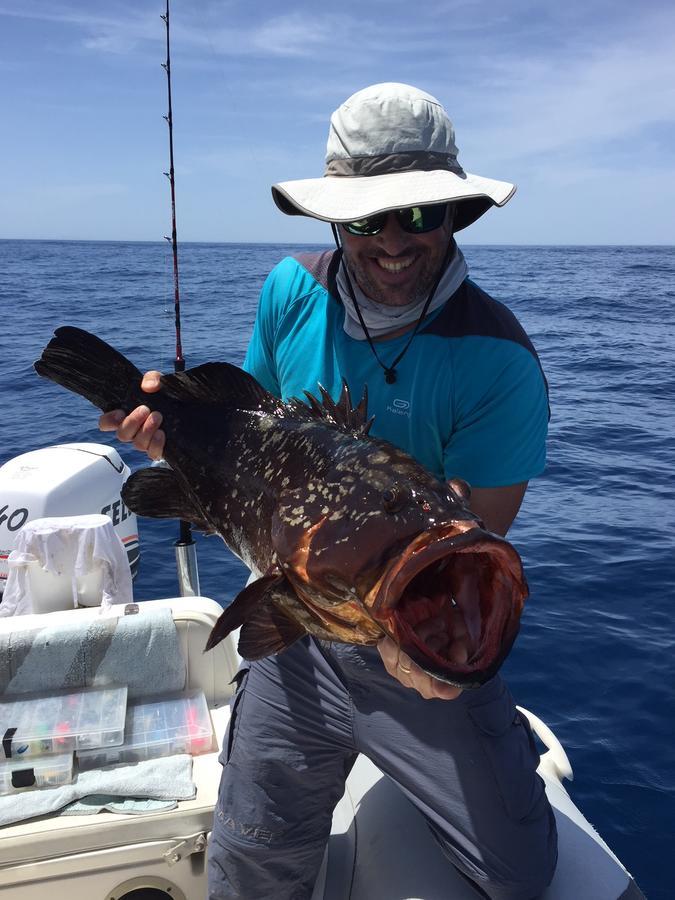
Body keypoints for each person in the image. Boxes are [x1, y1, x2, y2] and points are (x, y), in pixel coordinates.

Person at [101, 83, 557, 899]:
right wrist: (173, 442)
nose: (390, 239)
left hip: (413, 642)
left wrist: (419, 649)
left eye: (416, 214)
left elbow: (466, 546)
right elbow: (256, 433)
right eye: (363, 218)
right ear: (332, 220)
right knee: (249, 869)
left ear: (453, 214)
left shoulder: (499, 361)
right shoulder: (289, 290)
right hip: (290, 622)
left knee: (521, 876)